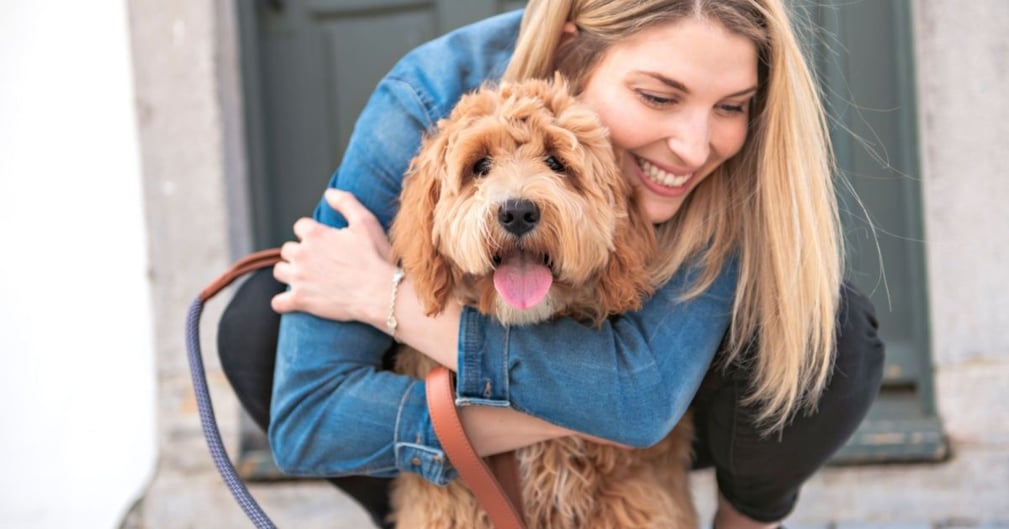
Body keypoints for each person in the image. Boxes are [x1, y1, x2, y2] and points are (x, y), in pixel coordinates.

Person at [218, 1, 885, 528]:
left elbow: (642, 403)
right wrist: (385, 299)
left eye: (730, 106)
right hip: (479, 414)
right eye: (657, 95)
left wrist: (386, 298)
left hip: (669, 401)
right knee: (264, 316)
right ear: (571, 48)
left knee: (834, 329)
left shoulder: (730, 162)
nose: (691, 145)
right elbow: (308, 421)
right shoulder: (424, 98)